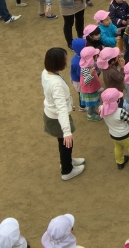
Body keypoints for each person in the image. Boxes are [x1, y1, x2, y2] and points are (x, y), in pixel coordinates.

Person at [41, 47, 85, 181]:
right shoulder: (57, 85)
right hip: (57, 118)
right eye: (64, 58)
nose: (66, 60)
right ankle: (67, 170)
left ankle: (68, 161)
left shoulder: (46, 72)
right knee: (66, 143)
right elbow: (61, 108)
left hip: (53, 114)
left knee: (64, 143)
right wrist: (66, 131)